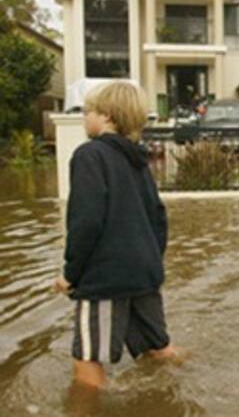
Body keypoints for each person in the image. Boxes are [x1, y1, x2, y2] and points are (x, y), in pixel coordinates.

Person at [52, 81, 179, 388]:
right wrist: (150, 260)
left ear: (107, 116)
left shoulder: (89, 155)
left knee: (87, 358)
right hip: (145, 273)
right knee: (158, 350)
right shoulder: (139, 160)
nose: (84, 118)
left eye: (88, 112)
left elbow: (86, 221)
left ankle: (87, 408)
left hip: (106, 279)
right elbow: (159, 219)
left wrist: (71, 274)